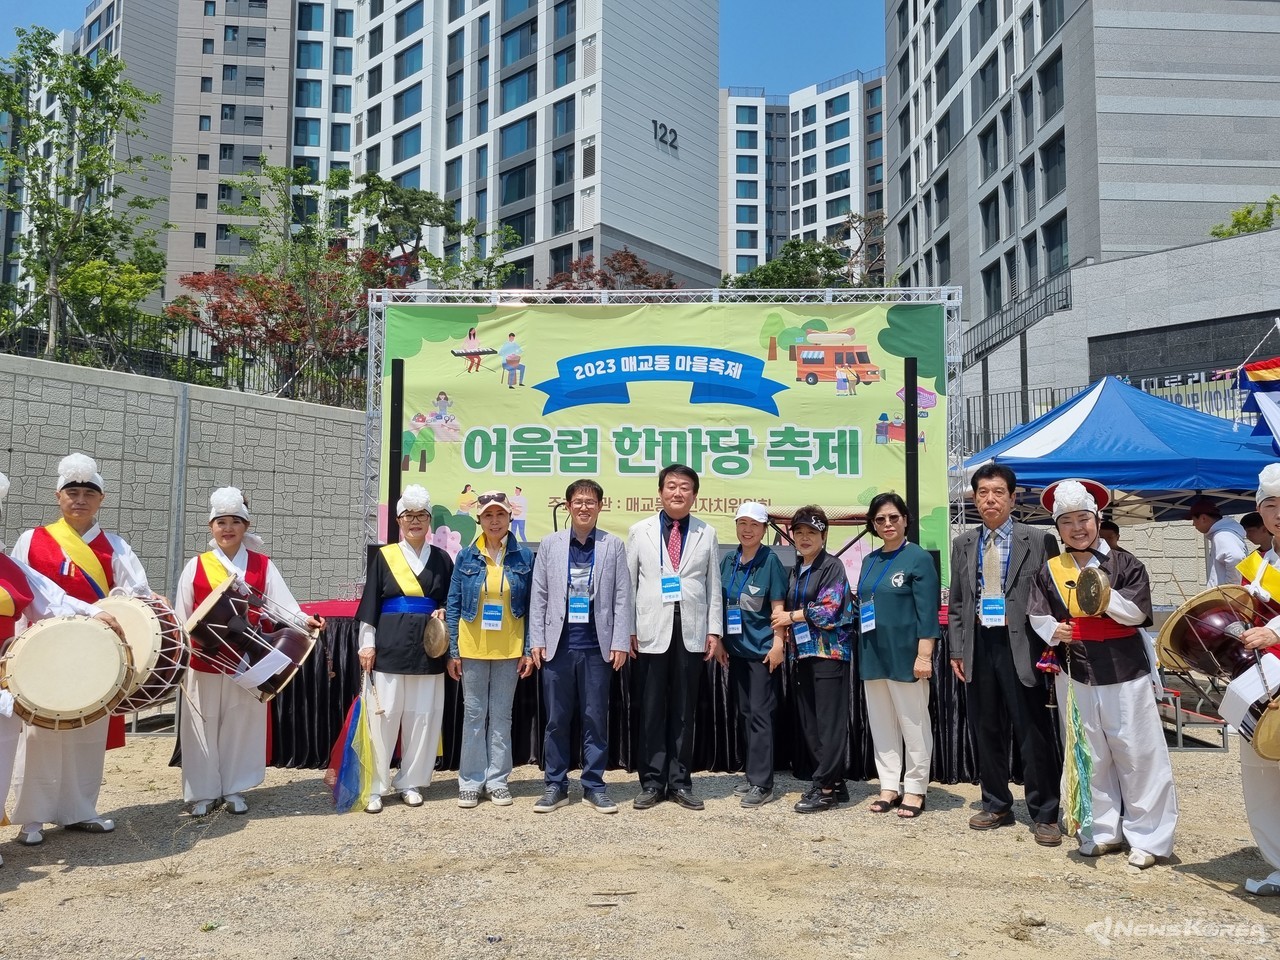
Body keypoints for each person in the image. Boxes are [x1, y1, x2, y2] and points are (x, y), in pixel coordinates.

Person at [1028, 478, 1177, 869]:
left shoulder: (1125, 563)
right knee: (1089, 753)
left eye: (1084, 519)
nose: (1077, 528)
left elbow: (1139, 613)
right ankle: (1100, 830)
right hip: (1075, 670)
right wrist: (1052, 630)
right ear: (1057, 529)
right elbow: (1037, 611)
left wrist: (1104, 596)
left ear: (1097, 518)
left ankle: (1149, 837)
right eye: (1067, 522)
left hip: (1123, 666)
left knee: (1137, 750)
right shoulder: (1050, 570)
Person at [8, 453, 150, 846]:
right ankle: (32, 817)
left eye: (89, 492)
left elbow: (135, 596)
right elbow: (20, 597)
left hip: (98, 656)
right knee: (41, 733)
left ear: (101, 500)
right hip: (46, 652)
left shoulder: (116, 546)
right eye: (72, 491)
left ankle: (80, 809)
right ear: (58, 496)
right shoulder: (32, 540)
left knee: (88, 735)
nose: (80, 499)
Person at [174, 487, 322, 817]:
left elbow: (284, 606)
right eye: (221, 522)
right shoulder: (195, 566)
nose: (227, 529)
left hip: (248, 659)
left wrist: (305, 620)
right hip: (204, 659)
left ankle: (235, 788)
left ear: (246, 526)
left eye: (235, 522)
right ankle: (202, 792)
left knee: (242, 723)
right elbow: (183, 615)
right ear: (211, 527)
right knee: (202, 723)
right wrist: (180, 658)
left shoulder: (261, 565)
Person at [947, 464, 1063, 846]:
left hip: (1024, 646)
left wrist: (1052, 648)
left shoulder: (1038, 539)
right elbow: (960, 602)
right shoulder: (963, 543)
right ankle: (996, 802)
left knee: (1033, 731)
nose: (989, 499)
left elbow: (1053, 597)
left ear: (1013, 498)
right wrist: (957, 648)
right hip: (980, 645)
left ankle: (1045, 812)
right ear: (974, 497)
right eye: (982, 492)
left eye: (998, 492)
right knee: (986, 728)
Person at [528, 480, 633, 814]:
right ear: (568, 506)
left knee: (595, 718)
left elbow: (621, 596)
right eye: (578, 502)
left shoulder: (613, 546)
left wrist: (619, 641)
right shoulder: (550, 544)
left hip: (596, 648)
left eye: (591, 502)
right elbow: (539, 595)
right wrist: (537, 640)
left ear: (601, 506)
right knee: (557, 719)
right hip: (558, 646)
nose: (584, 507)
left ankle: (594, 785)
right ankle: (555, 785)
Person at [627, 463, 723, 811]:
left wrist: (715, 630)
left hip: (691, 629)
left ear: (694, 495)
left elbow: (713, 585)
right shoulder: (640, 531)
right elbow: (629, 584)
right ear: (660, 492)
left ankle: (681, 782)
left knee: (684, 710)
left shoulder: (706, 533)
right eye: (671, 486)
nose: (677, 493)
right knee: (651, 709)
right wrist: (629, 629)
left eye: (685, 487)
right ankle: (652, 783)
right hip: (651, 629)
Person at [355, 484, 453, 813]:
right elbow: (370, 604)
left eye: (421, 516)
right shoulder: (385, 557)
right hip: (390, 645)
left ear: (429, 520)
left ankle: (411, 781)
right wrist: (367, 644)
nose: (415, 521)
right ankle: (376, 784)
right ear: (399, 520)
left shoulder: (441, 558)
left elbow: (449, 602)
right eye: (409, 516)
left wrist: (443, 611)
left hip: (429, 648)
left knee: (423, 718)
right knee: (384, 717)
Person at [445, 491, 534, 808]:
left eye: (500, 515)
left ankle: (497, 781)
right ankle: (470, 781)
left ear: (510, 517)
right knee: (473, 715)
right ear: (479, 520)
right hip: (472, 649)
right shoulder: (466, 557)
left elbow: (532, 607)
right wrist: (454, 651)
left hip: (510, 649)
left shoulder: (524, 558)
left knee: (501, 717)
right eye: (488, 516)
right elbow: (453, 605)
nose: (494, 521)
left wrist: (528, 649)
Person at [858, 493, 939, 819]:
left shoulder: (918, 558)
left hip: (906, 654)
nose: (887, 524)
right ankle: (889, 785)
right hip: (873, 651)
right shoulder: (869, 560)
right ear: (873, 525)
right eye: (880, 520)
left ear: (906, 519)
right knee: (881, 723)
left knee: (914, 723)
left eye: (893, 517)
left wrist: (924, 654)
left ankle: (916, 788)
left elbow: (928, 612)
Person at [769, 505, 855, 813]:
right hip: (802, 655)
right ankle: (835, 781)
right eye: (800, 532)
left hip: (829, 654)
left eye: (812, 532)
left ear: (824, 535)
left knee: (828, 724)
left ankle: (826, 789)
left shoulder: (831, 566)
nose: (805, 538)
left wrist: (789, 616)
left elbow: (829, 610)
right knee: (811, 723)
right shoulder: (797, 569)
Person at [721, 501, 788, 808]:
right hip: (736, 650)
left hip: (762, 651)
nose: (747, 530)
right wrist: (720, 641)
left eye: (754, 525)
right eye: (742, 524)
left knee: (760, 716)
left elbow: (778, 608)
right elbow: (720, 604)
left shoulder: (770, 560)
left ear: (763, 529)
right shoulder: (730, 560)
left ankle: (763, 783)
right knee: (746, 714)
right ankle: (752, 775)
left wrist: (778, 643)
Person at [1235, 464, 1280, 896]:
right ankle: (1278, 859)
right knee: (1261, 769)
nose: (1279, 513)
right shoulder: (1254, 566)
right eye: (1270, 505)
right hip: (1264, 679)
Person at [1188, 496, 1248, 588]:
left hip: (1226, 599)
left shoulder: (1221, 535)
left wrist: (1230, 590)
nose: (1193, 524)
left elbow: (1236, 558)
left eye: (1194, 520)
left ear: (1203, 518)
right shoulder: (1225, 533)